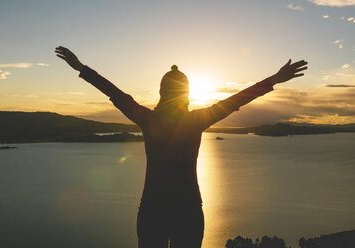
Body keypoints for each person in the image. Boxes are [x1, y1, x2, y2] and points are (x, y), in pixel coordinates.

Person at [55, 46, 307, 248]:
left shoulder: (148, 119)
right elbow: (235, 101)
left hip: (153, 208)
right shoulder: (195, 121)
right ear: (186, 94)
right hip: (187, 210)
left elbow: (115, 93)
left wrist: (81, 68)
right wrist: (274, 79)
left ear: (162, 93)